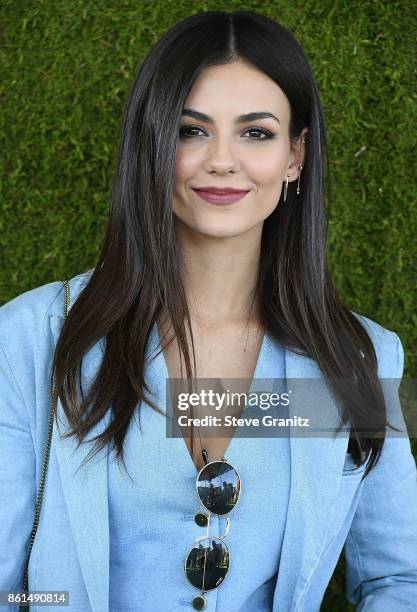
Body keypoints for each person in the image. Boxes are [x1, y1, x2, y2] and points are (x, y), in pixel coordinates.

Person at [1, 9, 416, 612]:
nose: (222, 160)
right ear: (151, 146)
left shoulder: (354, 359)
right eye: (191, 130)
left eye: (256, 132)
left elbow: (400, 581)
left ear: (296, 156)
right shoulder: (30, 339)